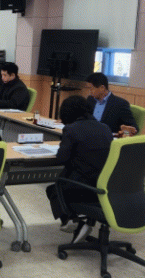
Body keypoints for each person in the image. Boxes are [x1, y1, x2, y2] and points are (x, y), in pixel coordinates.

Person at [45, 95, 113, 243]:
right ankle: (81, 223)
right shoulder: (105, 128)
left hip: (81, 187)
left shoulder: (71, 129)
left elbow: (61, 158)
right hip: (105, 186)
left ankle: (72, 220)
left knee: (54, 189)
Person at [84, 73, 138, 137]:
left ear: (102, 88)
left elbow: (134, 129)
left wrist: (125, 132)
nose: (90, 91)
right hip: (88, 136)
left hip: (106, 139)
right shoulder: (90, 100)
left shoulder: (120, 104)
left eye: (91, 89)